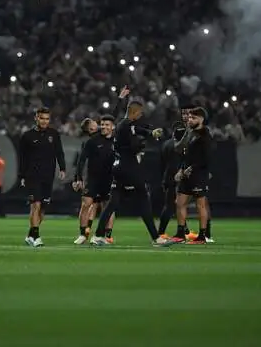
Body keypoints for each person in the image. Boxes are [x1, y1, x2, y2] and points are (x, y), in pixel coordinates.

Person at [90, 99, 162, 246]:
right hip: (129, 167)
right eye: (140, 113)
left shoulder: (123, 125)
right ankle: (156, 237)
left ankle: (97, 235)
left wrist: (150, 133)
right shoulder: (127, 126)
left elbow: (137, 130)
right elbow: (134, 145)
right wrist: (143, 144)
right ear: (135, 112)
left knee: (112, 203)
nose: (140, 116)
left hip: (119, 167)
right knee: (143, 199)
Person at [19, 107, 66, 247]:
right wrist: (22, 175)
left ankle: (30, 235)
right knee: (36, 205)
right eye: (42, 118)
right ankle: (37, 237)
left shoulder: (54, 134)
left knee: (43, 207)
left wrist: (62, 168)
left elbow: (59, 152)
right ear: (36, 118)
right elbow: (22, 158)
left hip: (48, 175)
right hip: (32, 175)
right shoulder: (27, 136)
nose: (44, 121)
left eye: (47, 119)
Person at [168, 107, 213, 245]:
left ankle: (202, 236)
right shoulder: (191, 134)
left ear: (201, 119)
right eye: (190, 117)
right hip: (186, 174)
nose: (190, 120)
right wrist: (182, 169)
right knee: (179, 203)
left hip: (199, 174)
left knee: (201, 205)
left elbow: (206, 158)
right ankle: (181, 233)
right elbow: (185, 154)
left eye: (193, 118)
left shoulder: (205, 135)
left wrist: (192, 168)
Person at [73, 115, 116, 245]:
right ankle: (82, 234)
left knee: (108, 207)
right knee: (86, 204)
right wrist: (78, 178)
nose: (104, 127)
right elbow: (81, 160)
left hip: (109, 179)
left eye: (107, 125)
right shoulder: (92, 141)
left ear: (112, 127)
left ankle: (106, 235)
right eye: (102, 124)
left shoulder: (117, 141)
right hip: (93, 179)